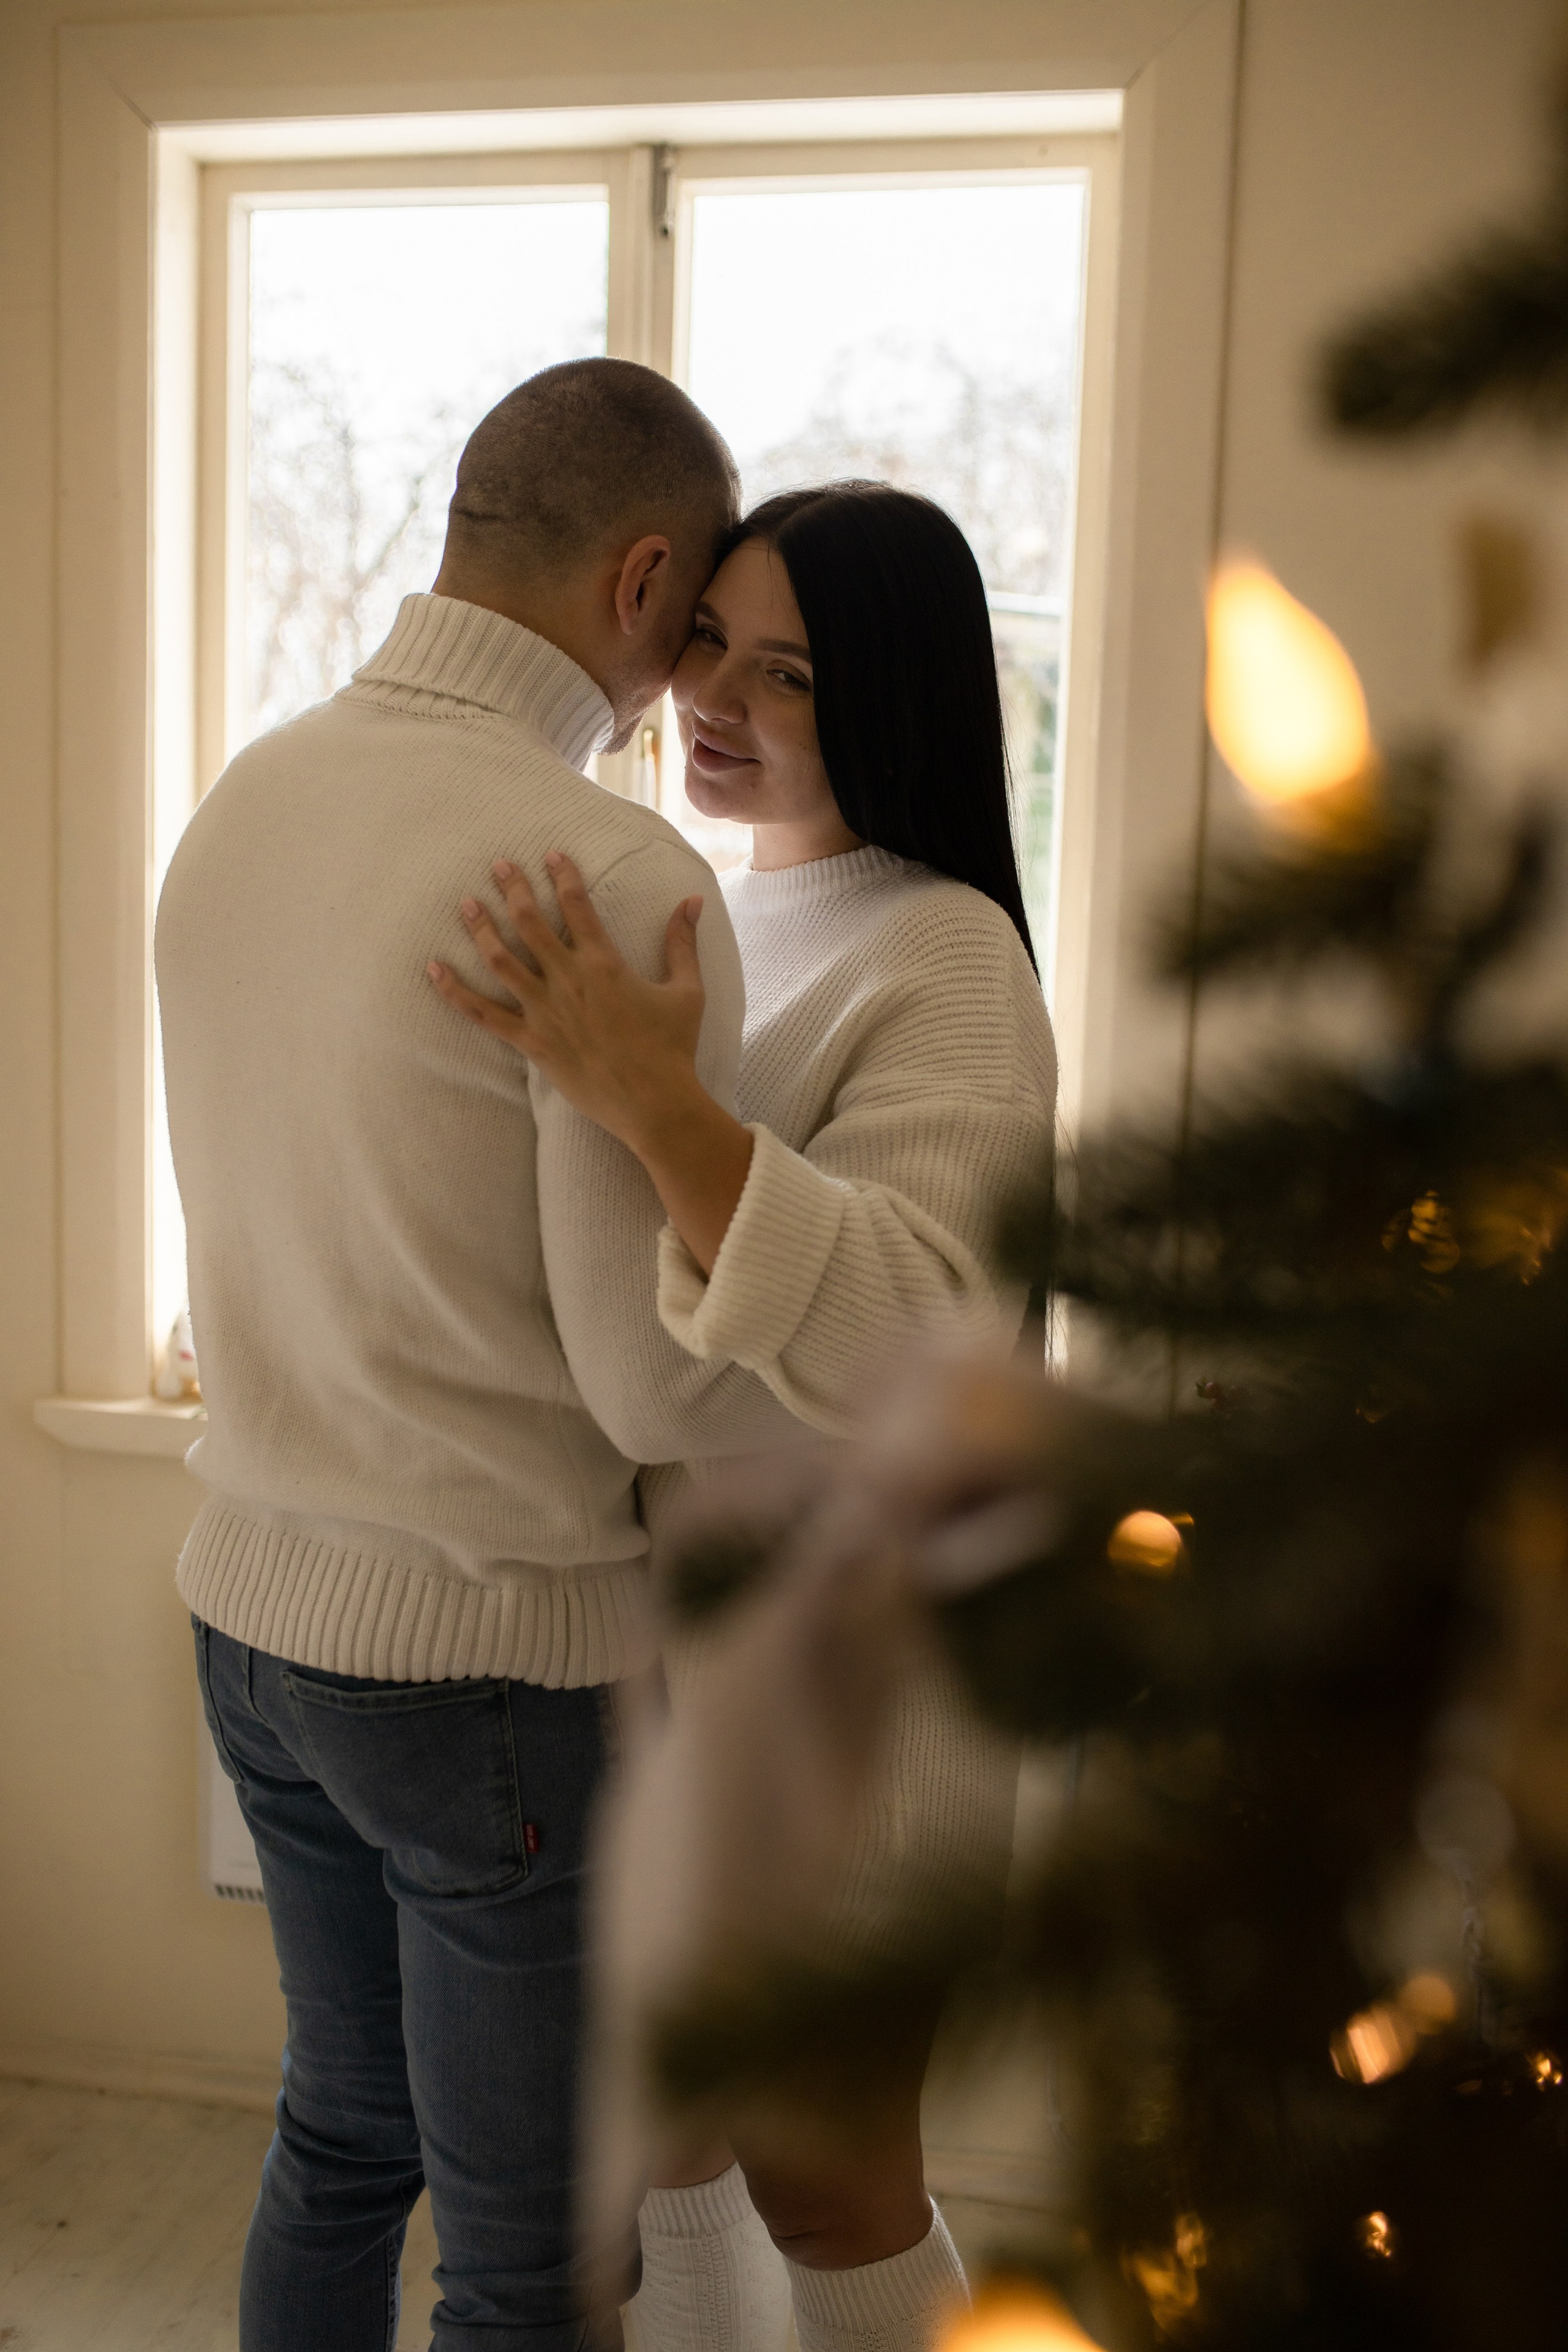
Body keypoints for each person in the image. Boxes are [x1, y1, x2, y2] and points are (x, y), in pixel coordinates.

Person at [155, 358, 802, 2352]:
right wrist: (797, 1304)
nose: (694, 678)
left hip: (251, 1616)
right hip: (491, 1659)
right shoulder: (607, 879)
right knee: (532, 2264)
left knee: (340, 2148)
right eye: (696, 624)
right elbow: (644, 1392)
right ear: (634, 584)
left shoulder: (249, 793)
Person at [429, 481, 1059, 2352]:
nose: (715, 695)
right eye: (706, 640)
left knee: (832, 2166)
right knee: (671, 2136)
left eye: (786, 672)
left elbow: (921, 1326)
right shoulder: (734, 903)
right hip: (693, 1647)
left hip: (867, 1679)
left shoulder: (945, 954)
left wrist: (653, 1103)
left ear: (894, 700)